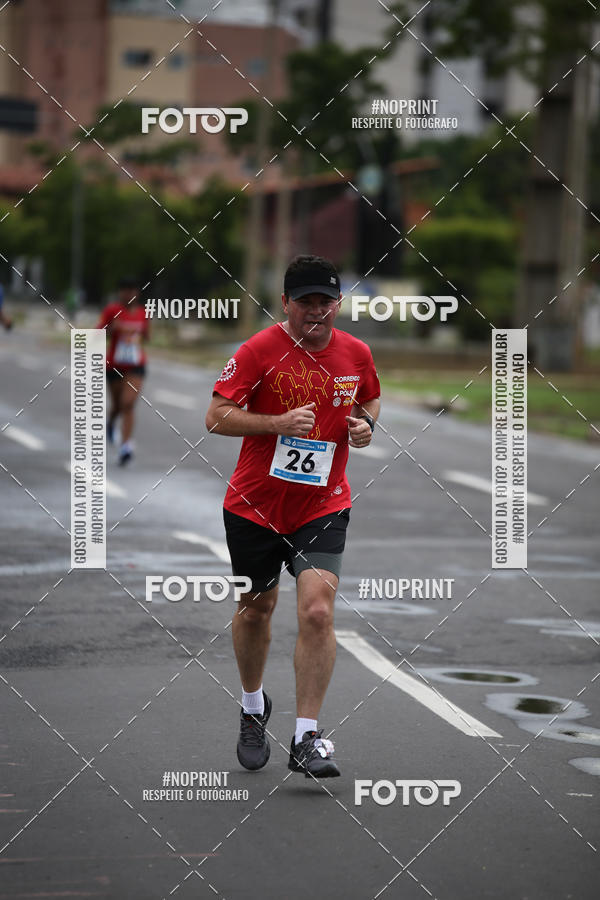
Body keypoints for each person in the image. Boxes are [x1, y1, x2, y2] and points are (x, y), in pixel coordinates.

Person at [205, 255, 381, 778]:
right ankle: (254, 706)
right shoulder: (258, 350)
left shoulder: (356, 353)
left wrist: (365, 427)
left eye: (325, 301)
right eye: (306, 302)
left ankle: (307, 737)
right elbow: (214, 416)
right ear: (285, 303)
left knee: (318, 612)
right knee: (256, 609)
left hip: (323, 504)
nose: (317, 311)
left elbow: (370, 399)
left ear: (338, 304)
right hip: (254, 506)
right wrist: (277, 422)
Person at [97, 278, 149, 465]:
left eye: (132, 290)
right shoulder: (112, 310)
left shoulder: (144, 313)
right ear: (120, 293)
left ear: (137, 293)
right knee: (118, 405)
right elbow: (98, 333)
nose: (128, 294)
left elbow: (146, 336)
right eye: (125, 291)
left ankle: (126, 445)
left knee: (128, 404)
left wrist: (133, 337)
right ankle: (110, 423)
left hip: (136, 364)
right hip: (114, 365)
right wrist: (113, 328)